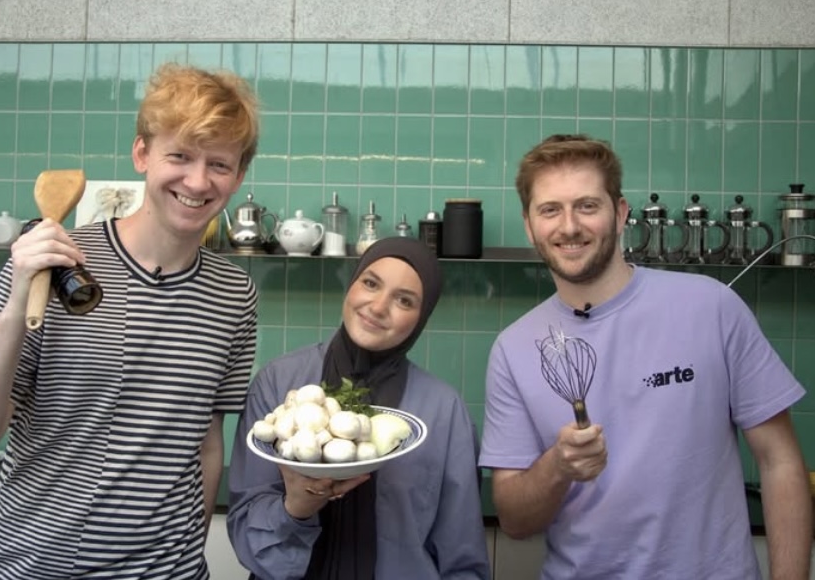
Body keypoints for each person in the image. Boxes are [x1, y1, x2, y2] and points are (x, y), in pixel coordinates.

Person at [0, 63, 260, 579]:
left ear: (238, 177)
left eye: (219, 164)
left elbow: (206, 440)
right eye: (179, 156)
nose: (197, 181)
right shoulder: (56, 263)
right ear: (142, 154)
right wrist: (17, 297)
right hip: (37, 568)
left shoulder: (234, 294)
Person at [479, 134, 812, 579]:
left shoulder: (711, 307)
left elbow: (780, 462)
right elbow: (516, 521)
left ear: (620, 213)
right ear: (529, 224)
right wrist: (558, 466)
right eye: (550, 210)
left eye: (587, 206)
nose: (569, 226)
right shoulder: (513, 349)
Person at [226, 236, 491, 579]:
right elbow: (246, 535)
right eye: (370, 283)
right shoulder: (279, 384)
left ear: (421, 318)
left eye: (404, 300)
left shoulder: (444, 412)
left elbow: (462, 559)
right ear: (351, 285)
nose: (378, 307)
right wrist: (297, 507)